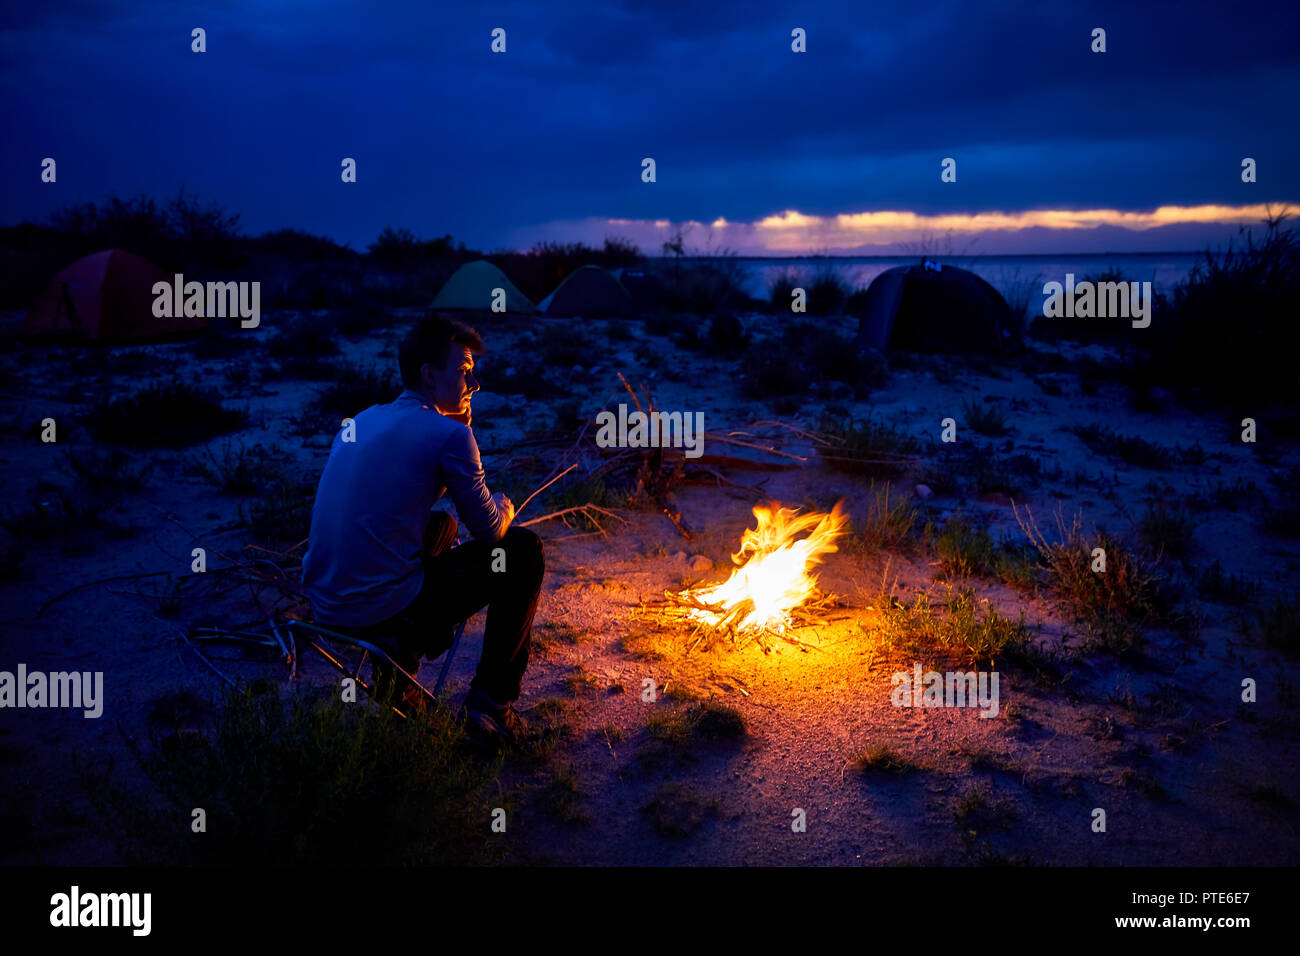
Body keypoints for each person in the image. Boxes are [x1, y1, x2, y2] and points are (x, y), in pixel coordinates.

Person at [301, 311, 544, 744]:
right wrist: (505, 509)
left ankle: (399, 658)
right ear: (429, 375)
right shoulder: (447, 435)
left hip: (326, 603)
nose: (473, 385)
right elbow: (490, 531)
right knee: (523, 551)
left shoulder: (364, 419)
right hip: (375, 607)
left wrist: (458, 425)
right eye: (464, 372)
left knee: (441, 525)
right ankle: (492, 705)